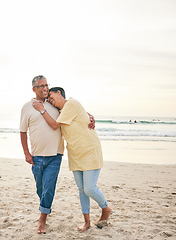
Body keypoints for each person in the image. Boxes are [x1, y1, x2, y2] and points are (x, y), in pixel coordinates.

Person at [20, 76, 95, 234]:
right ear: (34, 89)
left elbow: (73, 110)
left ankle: (42, 220)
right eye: (41, 86)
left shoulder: (54, 105)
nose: (45, 88)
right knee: (40, 189)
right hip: (37, 156)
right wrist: (26, 153)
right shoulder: (27, 107)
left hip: (55, 155)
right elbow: (23, 131)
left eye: (46, 85)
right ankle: (45, 208)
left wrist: (89, 115)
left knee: (48, 189)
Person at [32, 87, 111, 232]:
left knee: (89, 188)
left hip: (89, 151)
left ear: (59, 93)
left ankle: (105, 209)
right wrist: (88, 114)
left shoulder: (72, 104)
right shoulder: (62, 112)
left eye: (51, 95)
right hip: (75, 154)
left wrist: (41, 109)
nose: (49, 99)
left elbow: (55, 125)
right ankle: (87, 222)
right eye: (48, 98)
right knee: (82, 190)